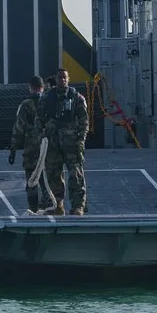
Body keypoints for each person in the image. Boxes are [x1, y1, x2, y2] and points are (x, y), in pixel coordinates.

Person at [38, 67, 89, 216]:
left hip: (71, 143)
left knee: (76, 174)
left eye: (65, 77)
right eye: (60, 77)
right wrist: (41, 135)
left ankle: (78, 206)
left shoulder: (77, 98)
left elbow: (84, 121)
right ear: (56, 78)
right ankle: (57, 204)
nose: (63, 80)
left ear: (68, 79)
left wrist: (81, 140)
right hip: (52, 142)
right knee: (53, 174)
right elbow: (39, 117)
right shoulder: (47, 97)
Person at [8, 76, 48, 212]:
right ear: (44, 87)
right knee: (48, 177)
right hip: (48, 146)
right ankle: (50, 205)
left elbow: (19, 128)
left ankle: (33, 208)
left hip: (31, 147)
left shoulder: (25, 105)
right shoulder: (50, 102)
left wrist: (13, 148)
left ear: (30, 87)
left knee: (32, 178)